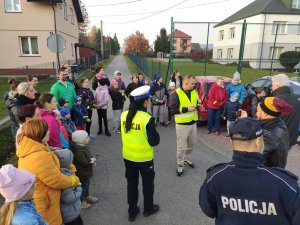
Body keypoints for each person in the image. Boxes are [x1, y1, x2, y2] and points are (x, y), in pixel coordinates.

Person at [199, 117, 300, 225]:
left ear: (232, 142)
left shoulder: (214, 176)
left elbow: (209, 210)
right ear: (257, 141)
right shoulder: (285, 183)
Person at [17, 118, 80, 225]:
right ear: (40, 134)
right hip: (46, 202)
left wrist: (51, 150)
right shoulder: (38, 156)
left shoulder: (33, 146)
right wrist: (75, 180)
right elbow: (57, 180)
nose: (49, 132)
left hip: (43, 197)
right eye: (47, 130)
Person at [121, 86, 160, 222]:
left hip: (128, 157)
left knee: (131, 184)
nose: (149, 101)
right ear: (145, 102)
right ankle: (148, 209)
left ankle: (132, 212)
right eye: (148, 99)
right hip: (144, 158)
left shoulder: (124, 114)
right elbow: (154, 141)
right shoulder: (147, 118)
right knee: (148, 185)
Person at [170, 75, 200, 176]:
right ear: (185, 84)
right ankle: (180, 164)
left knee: (192, 144)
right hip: (182, 125)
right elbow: (172, 110)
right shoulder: (176, 94)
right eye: (192, 84)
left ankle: (186, 159)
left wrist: (198, 106)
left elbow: (195, 103)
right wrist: (186, 109)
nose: (194, 85)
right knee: (181, 146)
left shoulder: (194, 92)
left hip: (193, 123)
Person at [256, 97, 292, 168]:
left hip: (267, 174)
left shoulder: (268, 135)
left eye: (257, 110)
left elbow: (254, 158)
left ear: (265, 113)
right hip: (275, 170)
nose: (256, 112)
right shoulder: (278, 122)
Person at [54, 149, 84, 225]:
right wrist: (79, 188)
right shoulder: (65, 177)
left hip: (72, 211)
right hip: (69, 214)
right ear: (67, 163)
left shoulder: (63, 172)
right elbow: (69, 198)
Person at [71, 130, 98, 209]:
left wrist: (92, 159)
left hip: (86, 171)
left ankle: (87, 196)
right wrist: (91, 161)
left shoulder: (84, 146)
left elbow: (89, 154)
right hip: (82, 173)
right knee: (83, 187)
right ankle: (81, 202)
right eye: (86, 137)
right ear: (81, 141)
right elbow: (84, 162)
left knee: (87, 184)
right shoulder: (79, 151)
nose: (88, 138)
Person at [271, 74, 300, 148]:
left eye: (272, 85)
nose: (271, 87)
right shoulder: (298, 99)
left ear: (277, 86)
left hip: (274, 139)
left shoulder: (274, 100)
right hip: (291, 138)